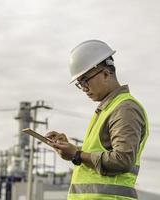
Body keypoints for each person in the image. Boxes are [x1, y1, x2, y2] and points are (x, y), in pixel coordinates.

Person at [46, 40, 149, 200]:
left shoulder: (125, 108)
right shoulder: (107, 109)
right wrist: (72, 152)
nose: (84, 88)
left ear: (106, 74)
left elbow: (123, 160)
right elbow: (98, 154)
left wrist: (78, 154)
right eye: (80, 84)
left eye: (85, 80)